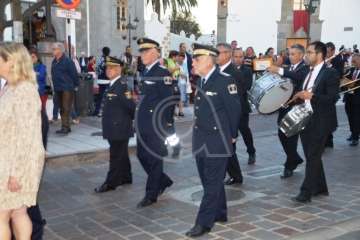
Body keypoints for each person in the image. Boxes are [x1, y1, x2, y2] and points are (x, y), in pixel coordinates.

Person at [186, 44, 241, 237]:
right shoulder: (202, 80)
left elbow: (235, 110)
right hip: (201, 139)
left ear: (209, 60)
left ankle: (204, 222)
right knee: (210, 180)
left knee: (210, 183)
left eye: (196, 59)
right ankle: (220, 212)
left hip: (218, 140)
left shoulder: (224, 81)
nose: (192, 62)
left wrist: (232, 135)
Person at [0, 42, 45, 240]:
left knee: (6, 214)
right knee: (16, 212)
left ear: (11, 61)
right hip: (7, 160)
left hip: (16, 164)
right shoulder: (10, 87)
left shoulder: (24, 90)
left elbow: (27, 136)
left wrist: (16, 174)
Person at [291, 41, 339, 203]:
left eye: (310, 52)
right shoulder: (308, 71)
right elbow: (306, 92)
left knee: (312, 156)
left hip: (321, 120)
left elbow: (333, 98)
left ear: (319, 55)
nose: (306, 55)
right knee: (312, 155)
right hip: (306, 118)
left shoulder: (330, 73)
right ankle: (320, 186)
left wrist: (312, 97)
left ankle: (306, 191)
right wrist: (299, 95)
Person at [135, 38, 174, 208]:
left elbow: (169, 102)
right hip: (143, 122)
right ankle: (163, 180)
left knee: (155, 159)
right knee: (141, 155)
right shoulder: (145, 71)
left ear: (155, 53)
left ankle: (151, 194)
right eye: (141, 51)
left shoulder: (163, 73)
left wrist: (167, 127)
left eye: (145, 51)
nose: (142, 54)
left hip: (155, 124)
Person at [94, 56, 136, 193]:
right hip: (115, 127)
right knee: (121, 153)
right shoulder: (112, 85)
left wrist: (125, 122)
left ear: (119, 69)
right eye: (107, 68)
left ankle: (111, 183)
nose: (108, 70)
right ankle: (126, 176)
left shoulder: (122, 86)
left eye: (112, 68)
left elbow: (131, 107)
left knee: (115, 155)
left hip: (119, 128)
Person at [267, 44, 309, 179]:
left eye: (293, 54)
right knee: (281, 133)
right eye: (289, 54)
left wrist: (279, 70)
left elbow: (297, 77)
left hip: (297, 107)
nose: (290, 57)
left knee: (291, 136)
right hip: (284, 106)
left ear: (301, 55)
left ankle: (289, 165)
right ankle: (294, 158)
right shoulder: (289, 67)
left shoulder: (305, 68)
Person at [216, 43, 245, 186]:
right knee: (225, 148)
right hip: (218, 116)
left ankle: (235, 175)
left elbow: (236, 102)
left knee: (228, 148)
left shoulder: (234, 73)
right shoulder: (217, 70)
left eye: (218, 53)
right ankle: (234, 174)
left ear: (228, 54)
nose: (215, 56)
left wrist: (232, 126)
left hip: (227, 117)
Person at [51, 42, 79, 135]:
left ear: (60, 50)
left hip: (67, 87)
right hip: (58, 87)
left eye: (54, 49)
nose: (53, 51)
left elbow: (74, 74)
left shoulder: (67, 61)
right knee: (61, 108)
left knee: (66, 107)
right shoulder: (54, 61)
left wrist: (76, 85)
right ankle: (65, 126)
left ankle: (65, 127)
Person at [343, 53, 360, 146]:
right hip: (349, 97)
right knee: (350, 117)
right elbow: (345, 80)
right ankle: (353, 132)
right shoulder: (352, 69)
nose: (353, 63)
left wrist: (352, 84)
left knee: (356, 118)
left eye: (355, 61)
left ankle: (355, 137)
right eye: (352, 61)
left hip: (357, 99)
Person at [94, 46, 111, 117]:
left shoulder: (100, 59)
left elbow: (97, 69)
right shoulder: (109, 59)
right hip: (107, 80)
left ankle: (97, 111)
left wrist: (99, 74)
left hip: (100, 80)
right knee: (108, 97)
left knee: (100, 96)